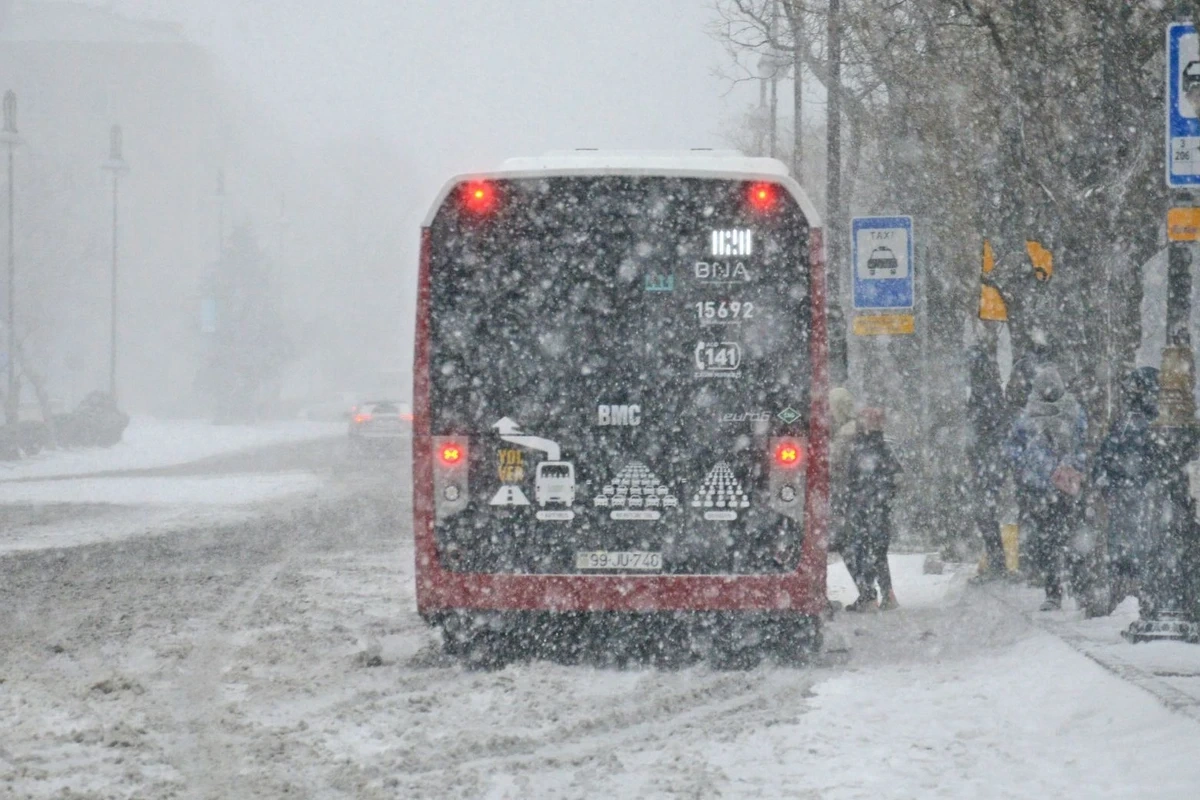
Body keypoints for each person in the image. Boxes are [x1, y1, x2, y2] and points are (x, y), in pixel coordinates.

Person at [1005, 364, 1088, 611]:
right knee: (1055, 540)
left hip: (1055, 486)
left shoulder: (1034, 416)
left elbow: (1083, 445)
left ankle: (1068, 588)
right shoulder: (1069, 412)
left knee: (1061, 540)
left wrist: (1066, 466)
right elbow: (1013, 449)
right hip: (1047, 486)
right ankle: (1058, 590)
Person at [1090, 367, 1163, 616]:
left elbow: (1107, 455)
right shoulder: (1148, 423)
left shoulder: (1128, 423)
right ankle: (1133, 593)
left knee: (1126, 545)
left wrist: (1104, 479)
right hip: (1139, 493)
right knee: (1136, 544)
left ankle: (1126, 593)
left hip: (1128, 492)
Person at [844, 407, 903, 611]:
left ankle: (868, 596)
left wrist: (856, 496)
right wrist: (884, 496)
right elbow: (896, 476)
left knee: (858, 549)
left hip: (863, 506)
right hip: (879, 507)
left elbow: (852, 477)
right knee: (877, 551)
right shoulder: (884, 447)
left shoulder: (861, 446)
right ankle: (887, 594)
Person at [966, 344, 1008, 581]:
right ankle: (996, 560)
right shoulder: (987, 391)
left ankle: (997, 562)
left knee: (984, 512)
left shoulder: (984, 393)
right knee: (985, 512)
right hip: (988, 460)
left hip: (988, 461)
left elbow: (984, 428)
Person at [828, 388, 859, 588]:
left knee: (842, 542)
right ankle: (868, 592)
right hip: (851, 496)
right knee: (847, 543)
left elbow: (832, 463)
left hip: (842, 495)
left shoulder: (845, 434)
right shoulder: (854, 428)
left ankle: (866, 593)